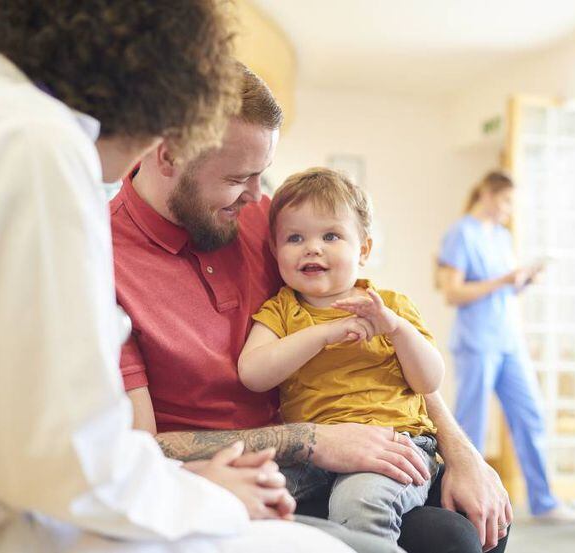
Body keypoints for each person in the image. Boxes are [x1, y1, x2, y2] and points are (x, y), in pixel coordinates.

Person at [0, 1, 353, 552]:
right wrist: (212, 494)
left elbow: (365, 313)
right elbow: (63, 458)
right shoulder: (38, 144)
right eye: (238, 178)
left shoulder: (7, 118)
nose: (257, 195)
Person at [112, 69, 512, 552]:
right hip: (234, 474)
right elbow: (137, 448)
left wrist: (462, 451)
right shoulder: (100, 261)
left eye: (262, 174)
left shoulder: (268, 221)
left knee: (475, 524)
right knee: (443, 540)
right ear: (169, 155)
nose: (258, 196)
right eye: (239, 179)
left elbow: (389, 354)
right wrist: (311, 440)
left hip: (348, 446)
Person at [238, 168, 444, 541]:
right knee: (246, 497)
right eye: (294, 237)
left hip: (392, 444)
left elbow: (429, 380)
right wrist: (323, 334)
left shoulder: (390, 307)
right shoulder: (281, 310)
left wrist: (397, 329)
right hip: (311, 451)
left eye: (330, 235)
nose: (311, 247)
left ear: (363, 249)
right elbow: (253, 373)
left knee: (358, 506)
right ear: (274, 251)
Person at [436, 171, 575, 523]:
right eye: (505, 202)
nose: (508, 210)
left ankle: (544, 501)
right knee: (471, 424)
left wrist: (522, 280)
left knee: (530, 414)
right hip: (477, 341)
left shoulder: (502, 236)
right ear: (486, 193)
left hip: (508, 340)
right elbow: (453, 292)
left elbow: (503, 289)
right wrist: (503, 280)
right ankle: (463, 503)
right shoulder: (460, 233)